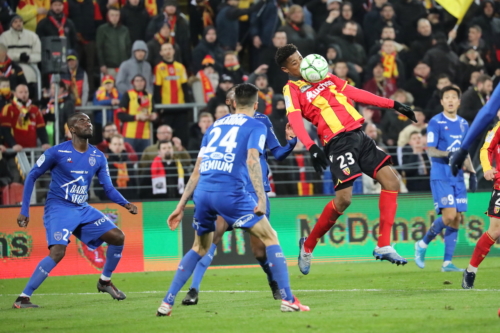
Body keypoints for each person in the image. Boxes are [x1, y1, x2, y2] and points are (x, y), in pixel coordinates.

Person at [156, 83, 309, 317]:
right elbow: (251, 160)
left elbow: (197, 169)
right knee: (271, 237)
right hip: (232, 193)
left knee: (199, 246)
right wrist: (261, 197)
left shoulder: (214, 126)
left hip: (203, 193)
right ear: (256, 105)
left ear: (234, 102)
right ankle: (288, 299)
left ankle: (167, 302)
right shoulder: (256, 124)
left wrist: (180, 205)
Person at [275, 43, 416, 273]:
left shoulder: (325, 76)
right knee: (344, 199)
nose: (301, 63)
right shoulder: (291, 89)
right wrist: (310, 146)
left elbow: (356, 93)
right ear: (286, 69)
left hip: (359, 135)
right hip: (337, 141)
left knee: (392, 181)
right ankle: (308, 246)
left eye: (300, 57)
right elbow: (295, 118)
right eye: (294, 62)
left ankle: (383, 245)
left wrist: (394, 105)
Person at [12, 113, 138, 309]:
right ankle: (23, 297)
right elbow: (32, 176)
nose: (88, 123)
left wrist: (126, 204)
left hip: (82, 208)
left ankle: (104, 281)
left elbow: (108, 188)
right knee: (57, 252)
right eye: (82, 120)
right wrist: (24, 209)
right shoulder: (56, 152)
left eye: (89, 120)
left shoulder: (97, 156)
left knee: (117, 236)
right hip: (59, 208)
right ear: (71, 129)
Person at [414, 86, 476, 272]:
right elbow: (431, 150)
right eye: (446, 97)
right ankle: (422, 244)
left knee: (457, 218)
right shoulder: (435, 122)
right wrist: (448, 154)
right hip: (441, 174)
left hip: (457, 176)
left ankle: (447, 263)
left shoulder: (464, 124)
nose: (450, 100)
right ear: (441, 101)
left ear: (459, 101)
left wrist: (472, 173)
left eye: (453, 97)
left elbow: (464, 152)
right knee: (449, 215)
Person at [462, 117, 500, 288]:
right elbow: (486, 149)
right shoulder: (498, 128)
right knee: (495, 230)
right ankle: (471, 270)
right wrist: (486, 168)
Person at [153, 43, 191, 145]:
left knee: (183, 136)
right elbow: (157, 89)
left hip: (181, 107)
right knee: (166, 136)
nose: (168, 51)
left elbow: (185, 87)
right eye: (165, 49)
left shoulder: (180, 67)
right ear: (161, 53)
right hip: (166, 108)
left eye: (169, 48)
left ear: (174, 51)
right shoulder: (159, 68)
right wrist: (159, 107)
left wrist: (188, 105)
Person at [63, 0, 103, 93]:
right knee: (74, 67)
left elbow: (98, 20)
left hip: (91, 40)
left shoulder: (93, 3)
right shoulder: (67, 2)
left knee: (91, 67)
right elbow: (65, 21)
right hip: (75, 41)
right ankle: (73, 92)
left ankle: (91, 91)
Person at [0, 84, 50, 151]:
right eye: (20, 92)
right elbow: (5, 130)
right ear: (15, 94)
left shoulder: (35, 109)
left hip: (32, 150)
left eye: (26, 92)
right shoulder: (8, 108)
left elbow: (41, 128)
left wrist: (45, 142)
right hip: (13, 151)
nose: (24, 95)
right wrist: (13, 144)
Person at [117, 74, 156, 153]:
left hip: (145, 135)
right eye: (137, 81)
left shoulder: (149, 96)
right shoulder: (128, 94)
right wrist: (136, 117)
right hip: (129, 134)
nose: (139, 83)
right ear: (133, 83)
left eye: (142, 81)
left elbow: (155, 113)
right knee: (129, 160)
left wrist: (154, 116)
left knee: (145, 161)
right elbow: (120, 114)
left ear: (145, 82)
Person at [96, 7, 131, 78]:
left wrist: (129, 64)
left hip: (123, 67)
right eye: (112, 15)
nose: (114, 17)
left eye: (117, 15)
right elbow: (99, 48)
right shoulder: (102, 29)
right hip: (109, 67)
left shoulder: (125, 30)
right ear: (108, 16)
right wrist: (102, 64)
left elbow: (128, 47)